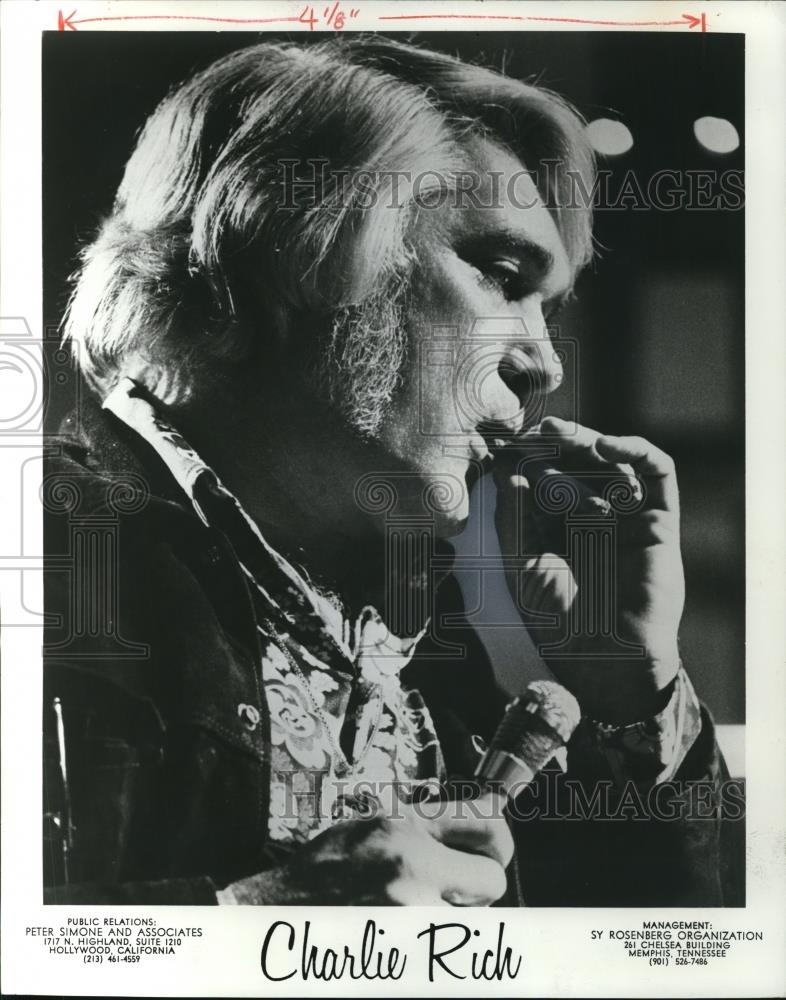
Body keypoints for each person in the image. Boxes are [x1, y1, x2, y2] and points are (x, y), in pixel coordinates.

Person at [43, 36, 741, 906]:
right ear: (290, 246)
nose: (545, 365)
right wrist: (271, 921)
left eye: (550, 309)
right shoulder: (39, 555)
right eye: (500, 275)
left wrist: (633, 694)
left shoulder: (418, 642)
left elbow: (678, 968)